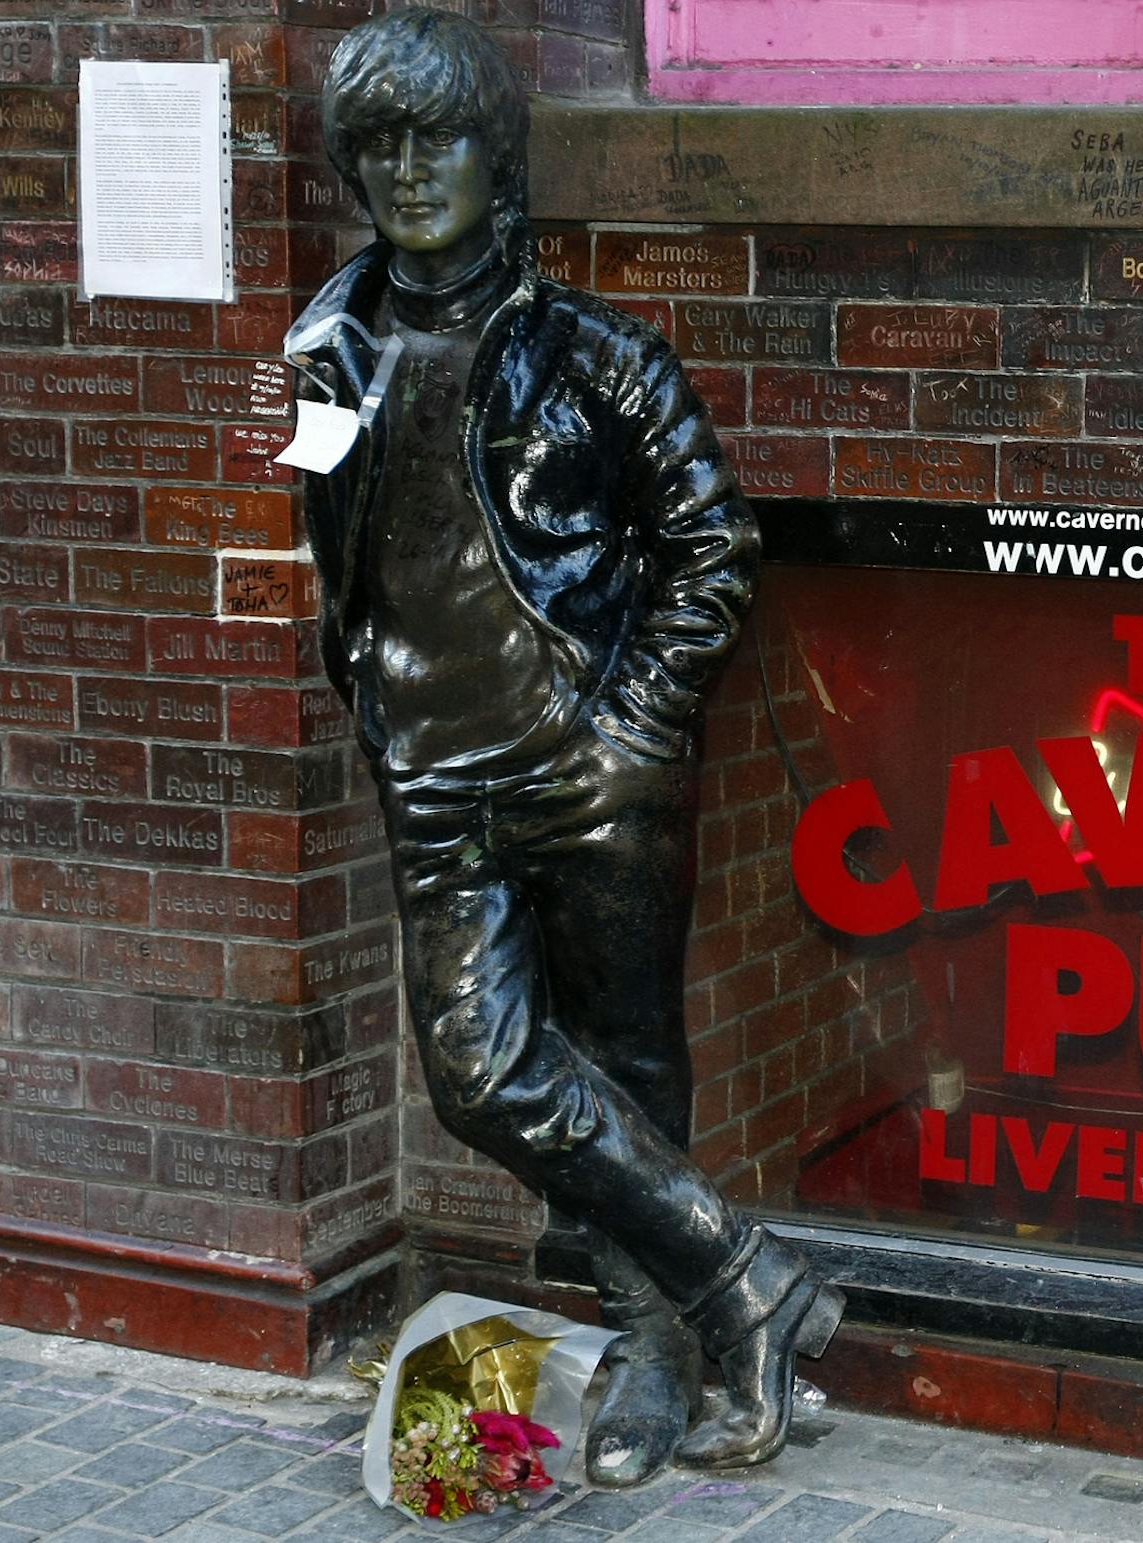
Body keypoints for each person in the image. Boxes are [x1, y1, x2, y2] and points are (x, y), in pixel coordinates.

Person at [286, 6, 840, 1480]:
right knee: (479, 1070)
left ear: (498, 155)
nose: (410, 172)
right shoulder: (324, 351)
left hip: (589, 767)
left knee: (629, 1069)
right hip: (435, 773)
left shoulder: (596, 353)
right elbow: (339, 562)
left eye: (440, 137)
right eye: (381, 143)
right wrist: (385, 718)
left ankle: (659, 1353)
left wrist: (629, 729)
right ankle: (753, 1278)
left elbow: (714, 549)